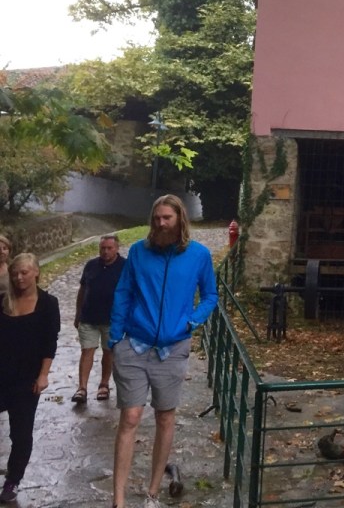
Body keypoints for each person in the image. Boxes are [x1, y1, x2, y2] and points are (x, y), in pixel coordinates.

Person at [109, 195, 218, 508]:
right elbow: (123, 293)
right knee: (130, 417)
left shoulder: (199, 255)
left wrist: (193, 321)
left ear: (180, 219)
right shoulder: (139, 253)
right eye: (156, 218)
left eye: (167, 218)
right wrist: (115, 338)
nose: (160, 223)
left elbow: (210, 295)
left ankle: (152, 493)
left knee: (165, 418)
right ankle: (118, 500)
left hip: (172, 349)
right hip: (134, 344)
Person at [0, 253, 61, 503]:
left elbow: (50, 342)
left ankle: (13, 481)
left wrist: (43, 374)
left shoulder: (48, 303)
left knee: (21, 434)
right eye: (15, 273)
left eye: (24, 272)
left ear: (36, 271)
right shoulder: (3, 301)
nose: (19, 277)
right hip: (1, 373)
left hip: (26, 380)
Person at [72, 234, 126, 404]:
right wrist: (78, 313)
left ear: (117, 248)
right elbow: (82, 289)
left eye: (109, 248)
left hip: (112, 319)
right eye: (103, 248)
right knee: (87, 350)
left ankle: (104, 384)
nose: (105, 251)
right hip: (89, 316)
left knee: (108, 352)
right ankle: (82, 388)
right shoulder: (91, 265)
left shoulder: (125, 267)